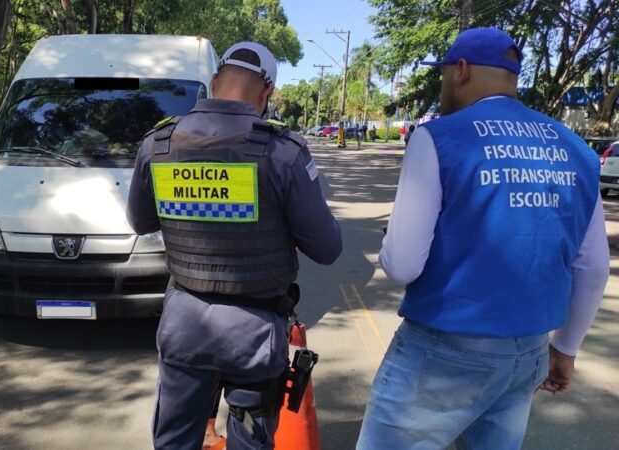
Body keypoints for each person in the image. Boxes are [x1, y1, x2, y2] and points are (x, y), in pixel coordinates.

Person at [356, 27, 609, 450]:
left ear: (461, 70)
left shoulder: (438, 137)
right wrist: (566, 348)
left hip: (443, 352)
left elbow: (402, 265)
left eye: (443, 75)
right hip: (528, 350)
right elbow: (593, 265)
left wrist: (387, 247)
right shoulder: (577, 149)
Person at [127, 41, 342, 450]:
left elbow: (140, 221)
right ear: (267, 93)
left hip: (184, 326)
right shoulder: (282, 151)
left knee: (173, 441)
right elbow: (327, 248)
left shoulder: (159, 142)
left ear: (213, 82)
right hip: (255, 337)